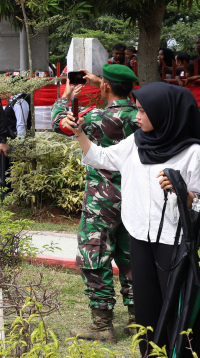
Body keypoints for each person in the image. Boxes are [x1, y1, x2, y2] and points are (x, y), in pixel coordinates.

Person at [66, 83, 200, 356]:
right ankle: (149, 352)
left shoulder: (192, 152)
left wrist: (183, 192)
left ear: (163, 113)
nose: (137, 117)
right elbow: (101, 157)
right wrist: (79, 133)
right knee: (146, 306)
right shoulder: (136, 142)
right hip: (139, 237)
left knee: (175, 305)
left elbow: (198, 201)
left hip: (174, 242)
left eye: (142, 111)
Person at [52, 65, 139, 342]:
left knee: (95, 255)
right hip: (135, 198)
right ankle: (139, 322)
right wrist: (100, 81)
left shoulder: (94, 117)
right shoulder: (142, 117)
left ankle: (103, 326)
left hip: (102, 201)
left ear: (105, 87)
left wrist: (65, 96)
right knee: (132, 257)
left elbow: (60, 123)